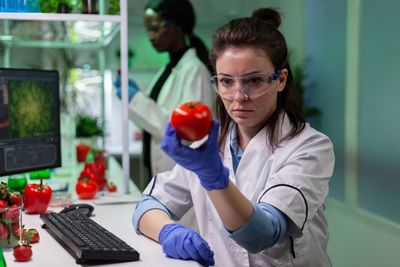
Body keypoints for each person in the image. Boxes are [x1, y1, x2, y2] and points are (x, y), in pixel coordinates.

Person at [132, 7, 335, 267]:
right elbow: (147, 206)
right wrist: (168, 232)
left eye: (254, 81)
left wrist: (213, 178)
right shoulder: (209, 146)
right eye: (226, 82)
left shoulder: (309, 147)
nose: (238, 96)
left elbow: (263, 234)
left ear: (280, 79)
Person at [114, 0, 215, 181]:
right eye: (148, 30)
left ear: (177, 26)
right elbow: (155, 121)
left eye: (154, 27)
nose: (150, 36)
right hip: (161, 172)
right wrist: (137, 100)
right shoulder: (168, 69)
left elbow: (185, 132)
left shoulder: (194, 70)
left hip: (182, 178)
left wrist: (135, 100)